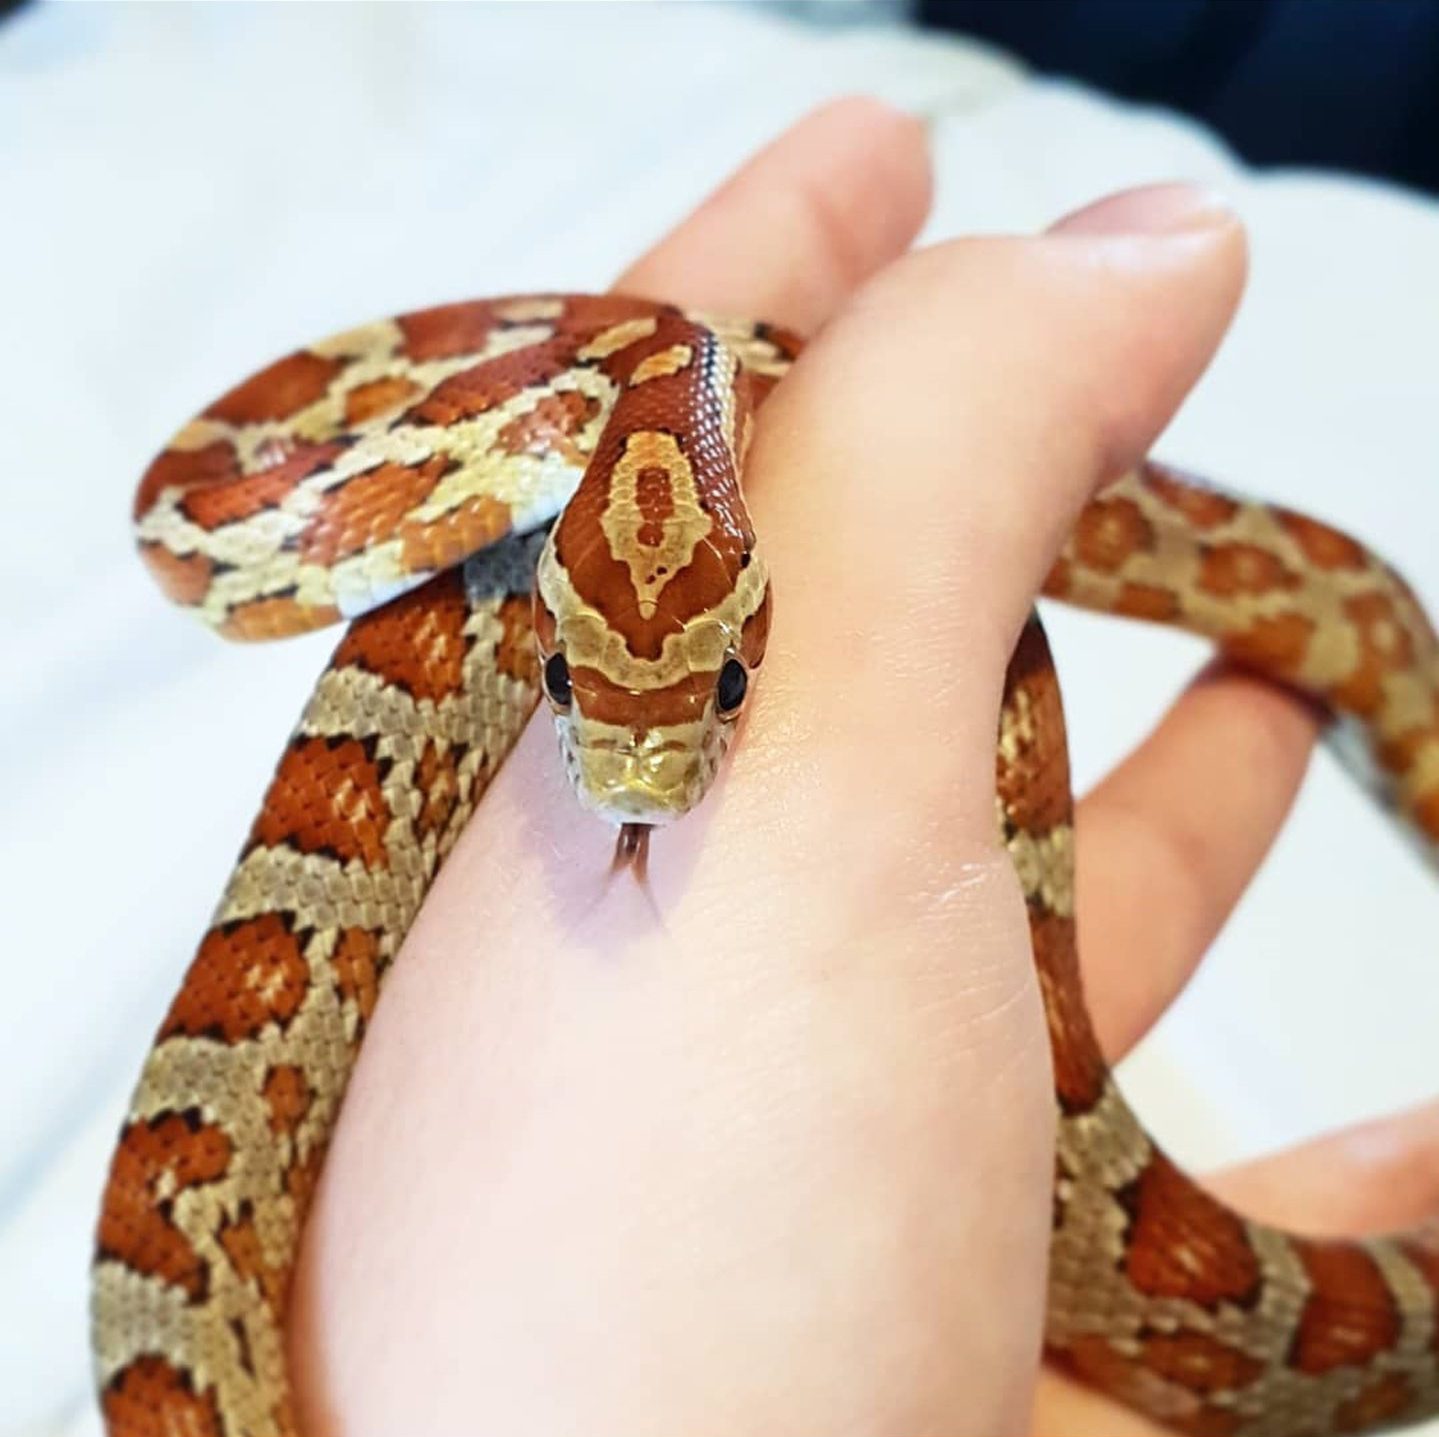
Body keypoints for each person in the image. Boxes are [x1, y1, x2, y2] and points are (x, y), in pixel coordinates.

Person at [287, 99, 1439, 1436]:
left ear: (755, 597)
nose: (641, 776)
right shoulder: (562, 467)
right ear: (550, 619)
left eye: (720, 686)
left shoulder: (694, 411)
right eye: (568, 682)